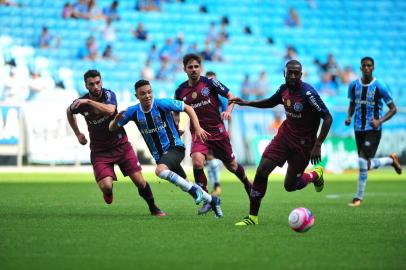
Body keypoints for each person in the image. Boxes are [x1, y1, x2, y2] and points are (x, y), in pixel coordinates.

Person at [231, 60, 333, 226]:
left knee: (290, 185)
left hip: (304, 144)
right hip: (284, 137)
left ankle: (315, 174)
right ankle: (252, 217)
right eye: (290, 72)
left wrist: (318, 144)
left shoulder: (308, 94)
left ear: (301, 74)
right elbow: (271, 102)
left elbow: (327, 117)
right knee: (262, 170)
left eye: (296, 73)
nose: (292, 76)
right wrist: (248, 103)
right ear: (284, 73)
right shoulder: (284, 89)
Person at [109, 79, 223, 218]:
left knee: (160, 171)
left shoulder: (161, 104)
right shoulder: (133, 111)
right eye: (143, 93)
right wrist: (115, 121)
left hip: (175, 148)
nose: (147, 96)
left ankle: (195, 192)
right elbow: (112, 128)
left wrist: (198, 128)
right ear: (137, 96)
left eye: (149, 92)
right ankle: (213, 200)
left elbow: (189, 108)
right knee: (185, 183)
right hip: (161, 156)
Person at [66, 70, 165, 216]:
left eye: (98, 82)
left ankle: (153, 207)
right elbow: (69, 112)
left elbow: (110, 110)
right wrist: (78, 133)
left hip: (121, 145)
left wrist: (88, 102)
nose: (96, 86)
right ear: (86, 86)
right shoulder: (81, 103)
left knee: (140, 181)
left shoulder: (108, 95)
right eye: (92, 84)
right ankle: (107, 191)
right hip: (100, 151)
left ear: (102, 82)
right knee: (106, 187)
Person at [174, 53, 252, 215]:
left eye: (196, 66)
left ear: (200, 68)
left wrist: (229, 111)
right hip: (198, 133)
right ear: (184, 69)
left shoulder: (210, 82)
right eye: (190, 67)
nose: (194, 70)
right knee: (197, 161)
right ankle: (207, 198)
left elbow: (231, 96)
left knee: (232, 166)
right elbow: (175, 111)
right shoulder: (180, 91)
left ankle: (247, 183)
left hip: (217, 131)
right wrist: (176, 126)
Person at [345, 57, 402, 207]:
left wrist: (379, 121)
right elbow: (351, 104)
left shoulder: (380, 86)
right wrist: (349, 116)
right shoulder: (353, 85)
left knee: (362, 160)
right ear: (360, 67)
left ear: (373, 68)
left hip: (373, 129)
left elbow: (393, 109)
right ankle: (390, 160)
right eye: (364, 65)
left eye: (369, 66)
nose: (366, 68)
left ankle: (358, 197)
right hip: (358, 128)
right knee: (365, 164)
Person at [203, 71, 231, 196]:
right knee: (209, 158)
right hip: (205, 131)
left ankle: (216, 184)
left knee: (223, 160)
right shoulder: (202, 94)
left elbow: (228, 115)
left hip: (219, 131)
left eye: (213, 79)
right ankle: (216, 185)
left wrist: (229, 130)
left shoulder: (220, 97)